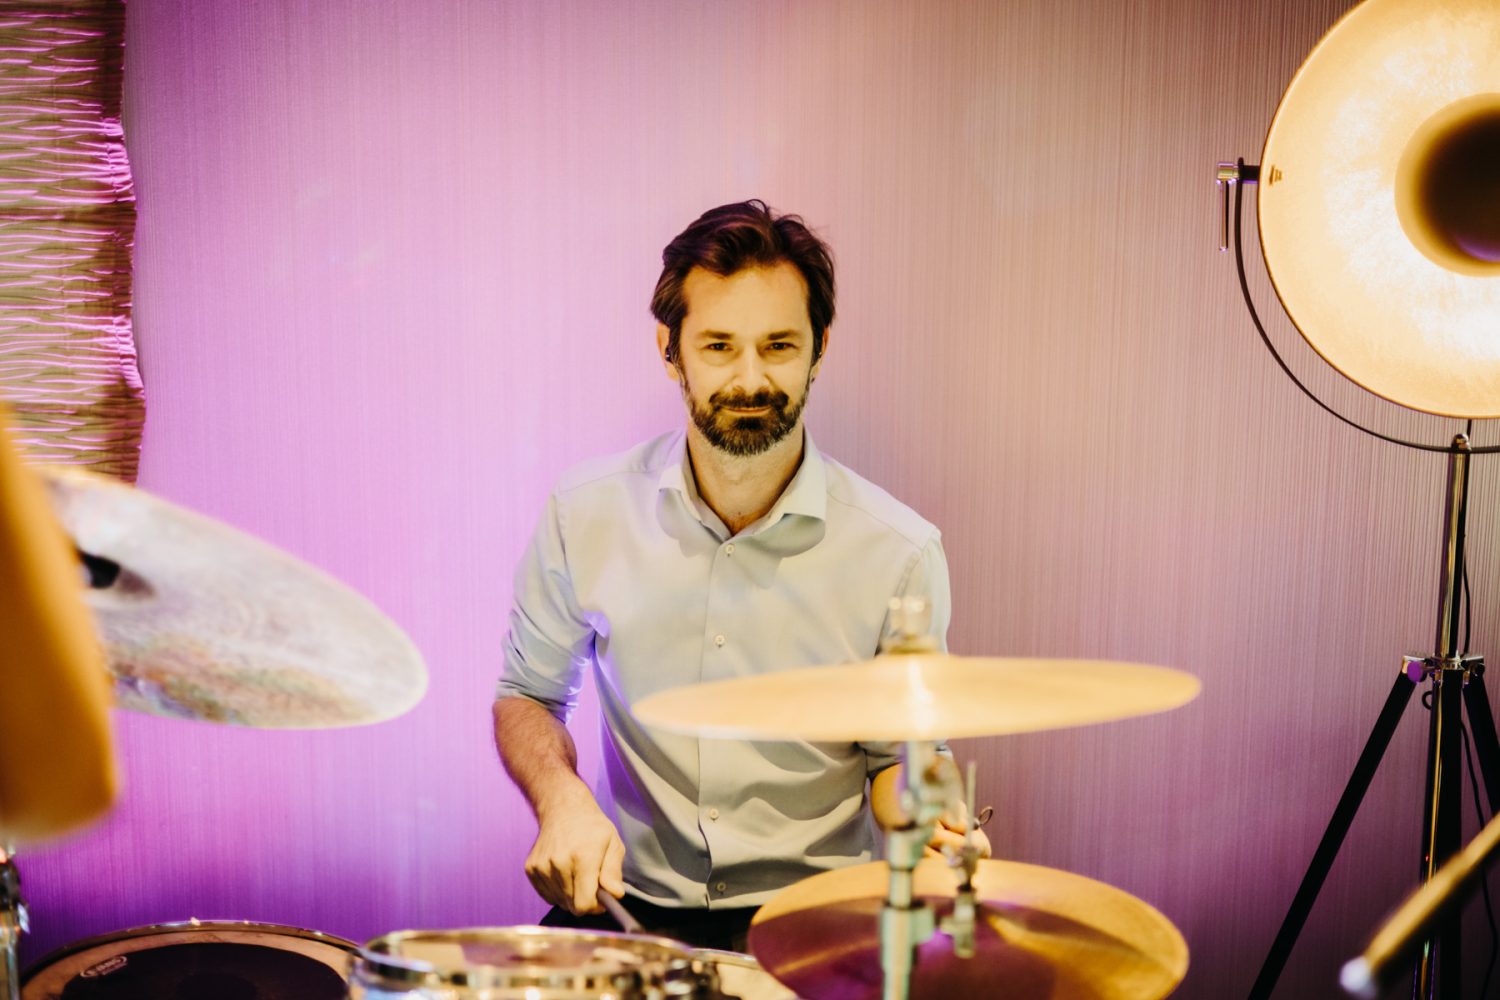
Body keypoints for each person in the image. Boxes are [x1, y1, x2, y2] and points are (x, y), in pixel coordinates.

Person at [493, 200, 986, 951]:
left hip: (815, 920)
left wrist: (930, 825)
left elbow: (898, 761)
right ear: (671, 350)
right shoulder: (582, 512)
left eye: (779, 345)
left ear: (819, 348)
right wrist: (561, 798)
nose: (751, 379)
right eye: (719, 346)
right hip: (631, 906)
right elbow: (528, 695)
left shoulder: (901, 552)